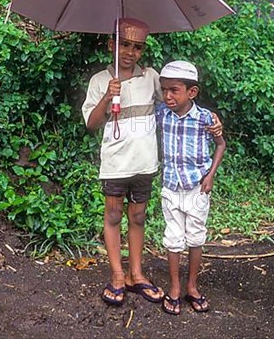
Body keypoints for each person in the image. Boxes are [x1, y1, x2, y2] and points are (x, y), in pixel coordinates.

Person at [82, 20, 222, 307]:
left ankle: (137, 273)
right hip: (116, 164)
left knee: (138, 217)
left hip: (146, 164)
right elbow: (91, 124)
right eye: (125, 45)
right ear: (112, 45)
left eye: (137, 46)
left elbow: (174, 104)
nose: (131, 52)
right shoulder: (100, 81)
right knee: (112, 216)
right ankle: (118, 275)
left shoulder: (151, 77)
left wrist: (210, 120)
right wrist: (108, 96)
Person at [155, 60, 226, 315]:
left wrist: (210, 175)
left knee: (196, 236)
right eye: (164, 90)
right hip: (171, 188)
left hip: (197, 188)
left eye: (174, 90)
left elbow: (220, 145)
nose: (168, 96)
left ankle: (192, 286)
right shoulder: (162, 113)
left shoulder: (205, 118)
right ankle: (174, 287)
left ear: (191, 92)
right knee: (173, 238)